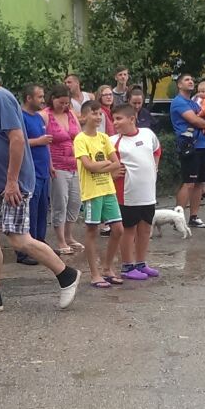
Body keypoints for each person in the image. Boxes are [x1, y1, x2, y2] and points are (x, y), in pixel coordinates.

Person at [0, 60, 80, 312]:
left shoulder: (1, 98)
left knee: (19, 239)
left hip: (9, 186)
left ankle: (67, 275)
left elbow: (16, 139)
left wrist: (12, 181)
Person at [74, 101, 126, 288]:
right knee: (92, 230)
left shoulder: (104, 138)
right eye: (94, 113)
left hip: (108, 190)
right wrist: (105, 165)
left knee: (118, 229)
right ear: (84, 116)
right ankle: (94, 274)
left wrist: (100, 166)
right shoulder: (80, 139)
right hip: (92, 192)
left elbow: (116, 163)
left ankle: (107, 268)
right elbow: (88, 166)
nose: (98, 117)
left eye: (99, 114)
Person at [110, 104, 161, 281]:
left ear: (132, 119)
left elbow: (157, 150)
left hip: (148, 192)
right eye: (114, 119)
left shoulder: (148, 134)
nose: (115, 122)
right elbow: (103, 162)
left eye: (119, 118)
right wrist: (112, 173)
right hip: (127, 194)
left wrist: (155, 168)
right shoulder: (112, 141)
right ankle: (127, 265)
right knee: (128, 230)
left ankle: (141, 263)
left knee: (145, 228)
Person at [44, 83, 84, 254]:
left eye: (66, 103)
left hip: (75, 164)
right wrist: (49, 164)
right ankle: (60, 239)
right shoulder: (45, 115)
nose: (63, 106)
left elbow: (80, 137)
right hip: (57, 164)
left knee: (75, 201)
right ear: (52, 99)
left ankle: (69, 235)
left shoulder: (71, 114)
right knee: (60, 202)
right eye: (60, 102)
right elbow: (45, 142)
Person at [170, 74, 205, 228]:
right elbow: (194, 120)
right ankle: (177, 219)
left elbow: (204, 118)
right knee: (188, 182)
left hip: (202, 145)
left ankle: (194, 217)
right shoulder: (179, 102)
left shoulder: (194, 103)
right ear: (179, 85)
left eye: (192, 79)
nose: (191, 81)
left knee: (199, 182)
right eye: (187, 80)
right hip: (189, 146)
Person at [16, 83, 52, 266]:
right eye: (39, 97)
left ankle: (40, 244)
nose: (43, 100)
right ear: (28, 98)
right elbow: (17, 142)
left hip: (43, 172)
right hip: (31, 173)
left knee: (42, 210)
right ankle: (25, 252)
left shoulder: (38, 117)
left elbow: (46, 144)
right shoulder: (20, 118)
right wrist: (38, 141)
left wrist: (50, 165)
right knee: (30, 212)